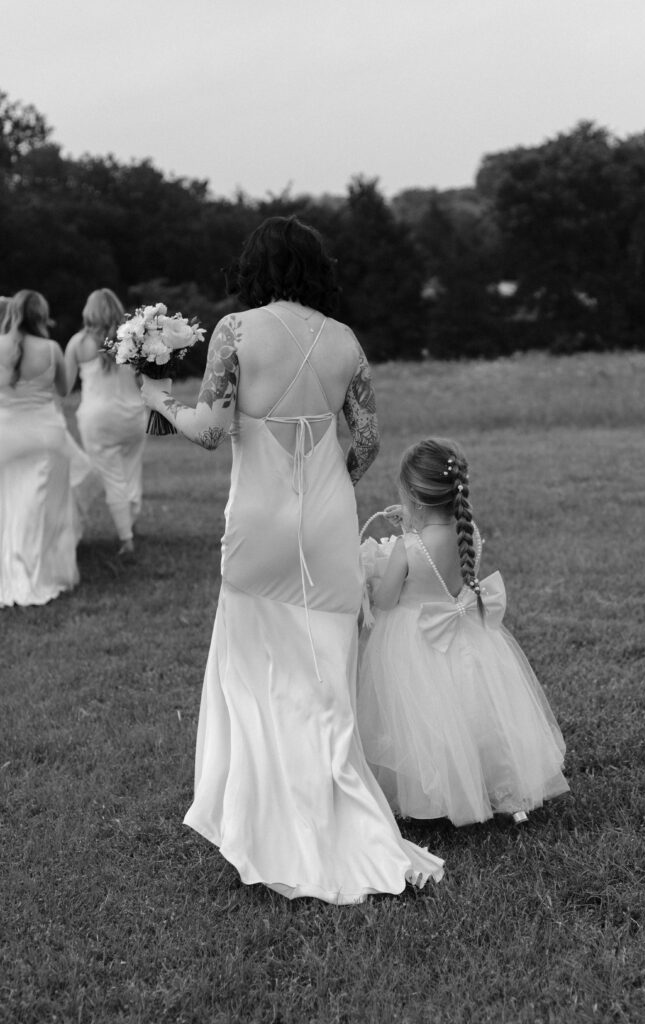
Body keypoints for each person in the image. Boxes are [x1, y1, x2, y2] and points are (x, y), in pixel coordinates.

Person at [140, 215, 444, 903]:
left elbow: (213, 430)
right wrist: (329, 481)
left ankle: (261, 821)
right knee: (325, 680)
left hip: (259, 525)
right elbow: (366, 439)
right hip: (328, 521)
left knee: (251, 676)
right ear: (313, 267)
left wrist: (160, 401)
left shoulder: (235, 332)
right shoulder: (345, 341)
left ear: (256, 268)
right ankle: (338, 815)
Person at [358, 437, 569, 826]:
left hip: (416, 640)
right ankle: (495, 784)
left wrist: (369, 577)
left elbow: (387, 601)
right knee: (475, 710)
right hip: (467, 634)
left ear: (413, 498)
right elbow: (439, 556)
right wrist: (410, 522)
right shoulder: (468, 531)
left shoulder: (408, 548)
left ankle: (439, 793)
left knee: (425, 719)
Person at [0, 290, 90, 607]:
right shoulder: (51, 348)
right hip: (45, 437)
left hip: (6, 437)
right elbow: (64, 390)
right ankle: (39, 573)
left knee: (9, 505)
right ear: (40, 315)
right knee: (42, 510)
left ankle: (10, 568)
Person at [65, 288, 146, 556]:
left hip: (97, 419)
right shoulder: (132, 337)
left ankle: (126, 539)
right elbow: (142, 377)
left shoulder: (78, 343)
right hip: (133, 415)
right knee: (131, 471)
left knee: (112, 477)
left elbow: (64, 386)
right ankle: (130, 522)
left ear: (89, 311)